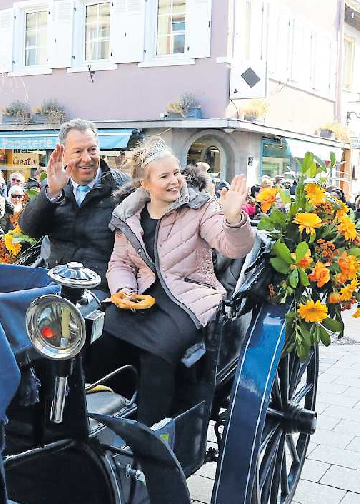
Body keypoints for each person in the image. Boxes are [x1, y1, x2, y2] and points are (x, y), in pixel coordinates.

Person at [87, 137, 255, 426]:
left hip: (188, 299)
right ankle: (101, 420)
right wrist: (123, 290)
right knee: (100, 339)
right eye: (164, 176)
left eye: (176, 172)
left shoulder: (201, 208)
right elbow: (120, 264)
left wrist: (234, 217)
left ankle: (151, 436)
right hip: (140, 298)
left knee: (157, 351)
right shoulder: (129, 216)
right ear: (145, 185)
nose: (175, 181)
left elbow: (234, 247)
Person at [18, 118, 130, 296]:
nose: (87, 158)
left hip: (102, 287)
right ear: (64, 155)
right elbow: (29, 229)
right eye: (78, 151)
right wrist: (52, 193)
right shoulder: (54, 185)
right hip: (57, 281)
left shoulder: (123, 187)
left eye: (92, 150)